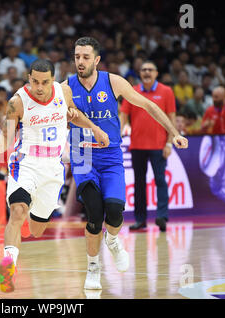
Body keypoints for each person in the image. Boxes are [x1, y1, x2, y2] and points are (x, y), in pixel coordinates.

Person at [65, 37, 188, 290]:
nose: (80, 61)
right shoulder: (66, 86)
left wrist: (173, 133)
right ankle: (93, 268)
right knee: (94, 214)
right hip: (83, 155)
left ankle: (112, 240)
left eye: (86, 57)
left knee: (114, 211)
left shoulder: (113, 82)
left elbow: (148, 106)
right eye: (77, 56)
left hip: (110, 155)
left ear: (96, 60)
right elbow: (57, 113)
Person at [0, 59, 110, 293]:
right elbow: (6, 137)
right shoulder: (17, 102)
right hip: (25, 163)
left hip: (53, 167)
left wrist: (95, 128)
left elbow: (74, 116)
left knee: (37, 230)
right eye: (35, 81)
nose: (39, 87)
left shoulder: (64, 92)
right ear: (28, 78)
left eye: (45, 82)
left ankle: (26, 225)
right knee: (18, 211)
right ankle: (8, 267)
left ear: (53, 79)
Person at [120, 61, 177, 233]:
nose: (146, 72)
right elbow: (124, 115)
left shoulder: (166, 92)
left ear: (156, 73)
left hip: (159, 145)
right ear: (140, 73)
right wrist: (122, 129)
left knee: (160, 180)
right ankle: (140, 220)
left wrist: (169, 142)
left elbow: (172, 118)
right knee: (139, 184)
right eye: (143, 69)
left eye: (150, 70)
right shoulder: (132, 91)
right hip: (137, 145)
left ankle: (162, 216)